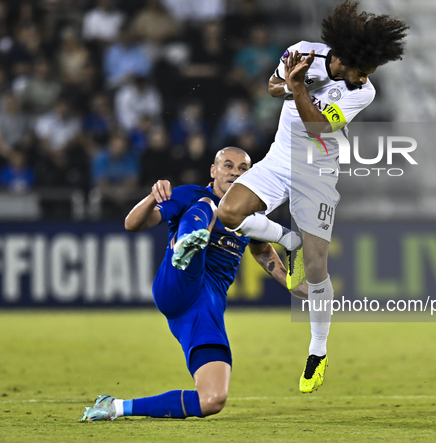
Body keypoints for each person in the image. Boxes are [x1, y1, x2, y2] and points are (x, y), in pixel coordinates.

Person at [217, 1, 408, 393]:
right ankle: (289, 240)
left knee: (317, 269)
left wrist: (300, 86)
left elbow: (318, 127)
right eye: (363, 69)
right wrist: (288, 81)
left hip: (316, 171)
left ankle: (317, 352)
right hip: (277, 160)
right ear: (345, 57)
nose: (367, 78)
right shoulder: (303, 51)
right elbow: (272, 87)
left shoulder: (363, 93)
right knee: (228, 213)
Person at [80, 147, 306, 421]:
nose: (235, 172)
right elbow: (132, 224)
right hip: (179, 282)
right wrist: (152, 197)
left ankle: (114, 407)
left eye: (242, 168)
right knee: (209, 207)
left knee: (212, 400)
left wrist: (297, 287)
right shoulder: (190, 194)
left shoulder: (251, 216)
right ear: (213, 170)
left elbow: (262, 253)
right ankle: (187, 245)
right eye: (228, 165)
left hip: (205, 307)